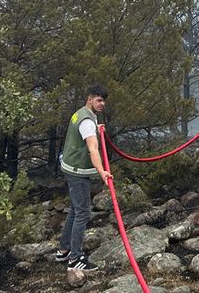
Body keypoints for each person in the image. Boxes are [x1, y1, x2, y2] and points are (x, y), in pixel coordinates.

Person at [55, 85, 113, 271]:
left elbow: (85, 130)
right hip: (77, 171)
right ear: (90, 99)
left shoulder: (81, 113)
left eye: (103, 101)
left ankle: (63, 249)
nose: (102, 104)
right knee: (83, 213)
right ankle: (75, 258)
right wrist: (102, 170)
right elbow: (92, 148)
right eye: (98, 100)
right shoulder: (87, 122)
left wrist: (97, 127)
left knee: (75, 210)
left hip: (69, 166)